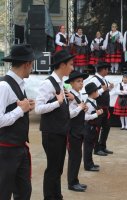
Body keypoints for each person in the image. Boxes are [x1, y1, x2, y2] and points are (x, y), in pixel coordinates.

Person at [35, 49, 75, 200]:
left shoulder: (60, 83)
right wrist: (57, 102)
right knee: (53, 168)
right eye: (70, 64)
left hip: (59, 132)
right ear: (62, 65)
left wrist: (66, 100)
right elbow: (38, 108)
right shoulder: (47, 83)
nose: (72, 68)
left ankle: (57, 196)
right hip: (51, 133)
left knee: (58, 168)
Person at [0, 44, 36, 199]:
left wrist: (26, 107)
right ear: (27, 64)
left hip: (18, 149)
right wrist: (20, 110)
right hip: (5, 152)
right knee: (3, 193)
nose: (32, 67)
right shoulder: (3, 86)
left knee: (24, 192)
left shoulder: (19, 84)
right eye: (32, 64)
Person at [65, 70, 89, 192]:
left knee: (77, 156)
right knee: (74, 157)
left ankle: (75, 180)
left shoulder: (78, 95)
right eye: (78, 81)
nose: (81, 83)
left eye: (82, 81)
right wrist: (80, 107)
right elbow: (69, 114)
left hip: (79, 129)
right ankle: (72, 183)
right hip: (72, 130)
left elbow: (78, 110)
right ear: (72, 83)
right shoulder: (69, 95)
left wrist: (82, 108)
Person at [90, 61, 114, 156]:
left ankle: (102, 146)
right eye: (107, 69)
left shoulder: (104, 79)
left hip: (105, 108)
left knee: (106, 127)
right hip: (98, 108)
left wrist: (109, 87)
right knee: (97, 128)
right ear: (103, 70)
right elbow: (91, 94)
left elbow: (106, 90)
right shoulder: (94, 80)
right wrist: (102, 89)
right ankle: (96, 149)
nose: (108, 71)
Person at [84, 82, 104, 171]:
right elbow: (85, 117)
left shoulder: (94, 101)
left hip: (93, 127)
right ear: (93, 93)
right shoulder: (88, 104)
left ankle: (90, 163)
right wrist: (97, 114)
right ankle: (88, 165)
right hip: (88, 127)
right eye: (96, 91)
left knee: (91, 146)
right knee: (88, 147)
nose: (98, 93)